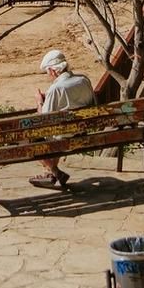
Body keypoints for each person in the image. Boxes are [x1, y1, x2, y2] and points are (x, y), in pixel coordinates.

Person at [30, 50, 96, 190]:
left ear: (53, 71)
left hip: (63, 135)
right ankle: (50, 172)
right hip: (82, 130)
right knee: (59, 131)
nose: (48, 76)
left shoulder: (55, 89)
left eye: (48, 72)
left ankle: (54, 171)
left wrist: (39, 102)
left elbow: (44, 119)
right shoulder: (84, 80)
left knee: (32, 137)